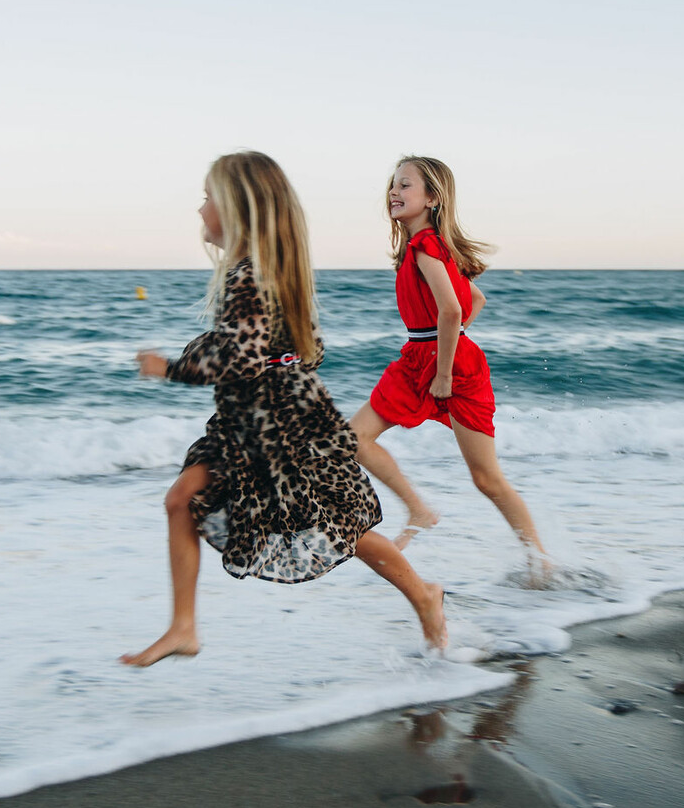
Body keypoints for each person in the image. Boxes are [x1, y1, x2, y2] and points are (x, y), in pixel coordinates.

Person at [123, 151, 448, 667]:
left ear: (238, 210)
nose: (201, 209)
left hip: (281, 428)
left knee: (341, 528)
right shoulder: (265, 272)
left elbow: (242, 355)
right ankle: (183, 627)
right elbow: (302, 347)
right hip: (254, 421)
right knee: (181, 499)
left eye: (208, 198)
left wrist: (172, 366)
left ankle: (424, 595)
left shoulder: (251, 276)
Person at [349, 155, 550, 580]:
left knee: (486, 478)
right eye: (393, 185)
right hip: (419, 359)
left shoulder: (426, 247)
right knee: (353, 439)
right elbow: (475, 302)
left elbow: (454, 310)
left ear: (433, 199)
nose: (394, 192)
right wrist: (444, 347)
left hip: (450, 368)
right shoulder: (423, 248)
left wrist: (444, 369)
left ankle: (540, 561)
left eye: (405, 185)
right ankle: (419, 510)